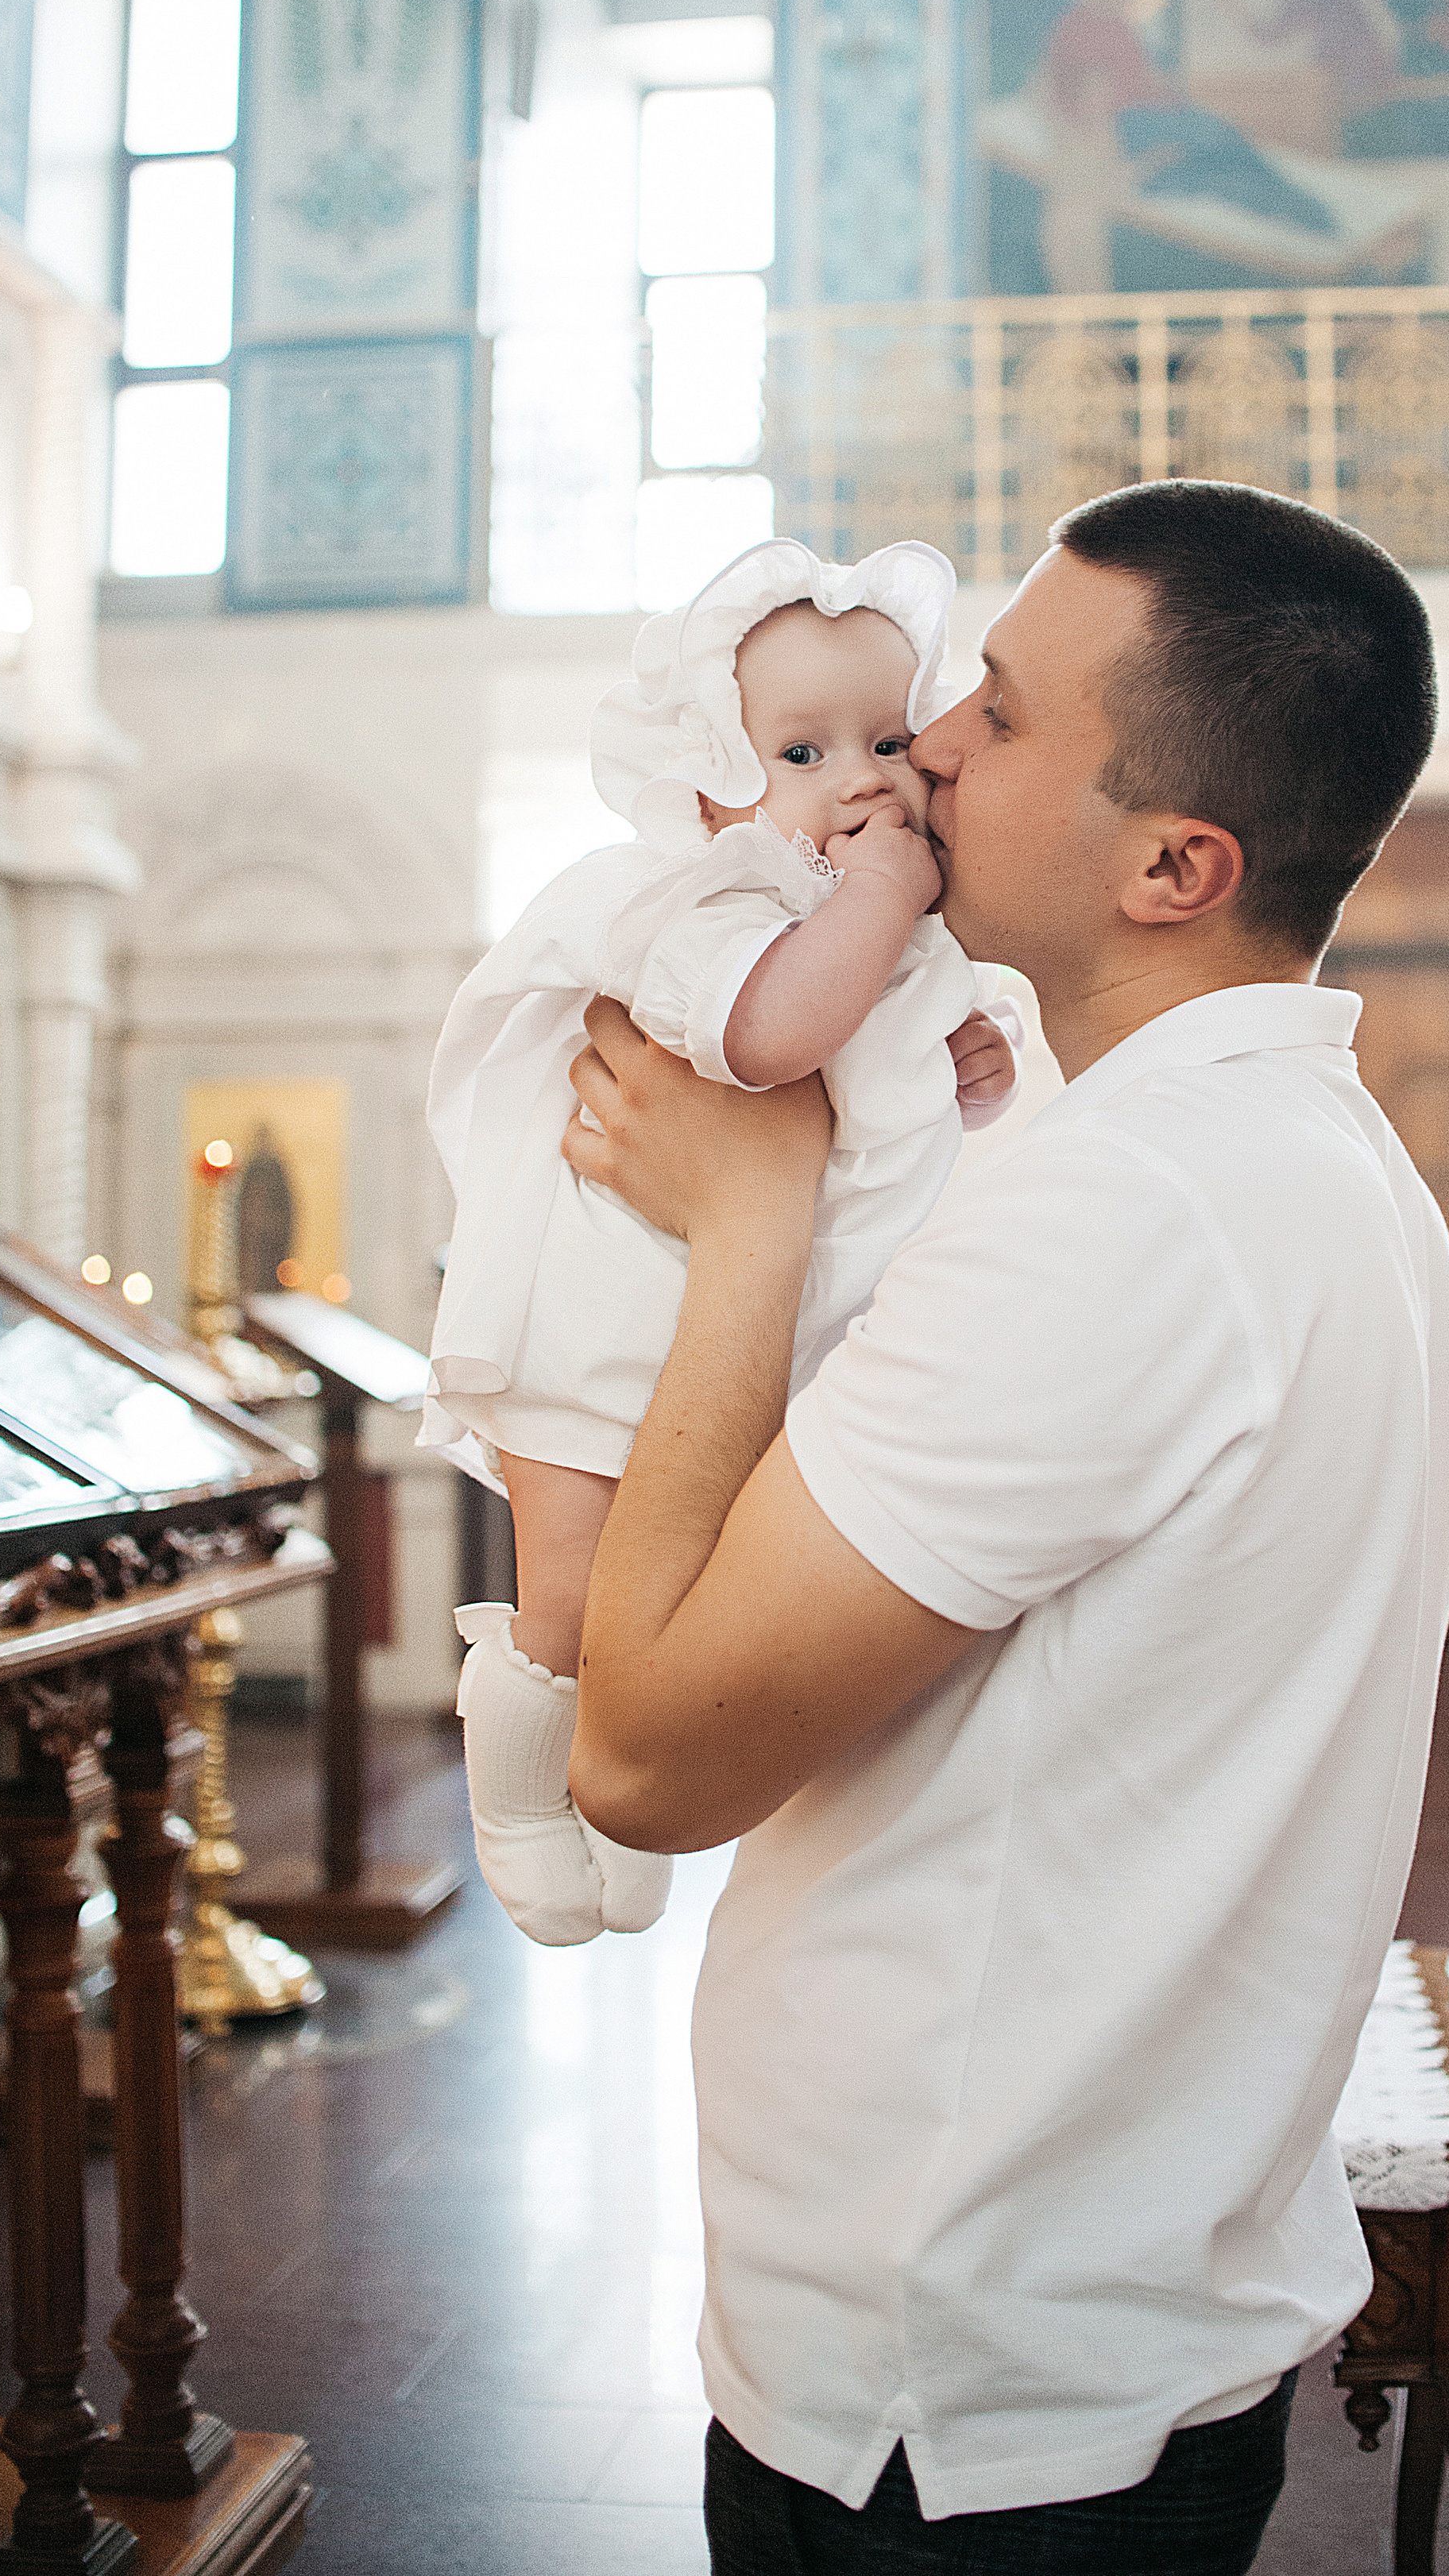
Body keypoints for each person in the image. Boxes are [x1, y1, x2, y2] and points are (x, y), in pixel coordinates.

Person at [562, 479, 1449, 2574]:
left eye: (1002, 708)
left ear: (1178, 861)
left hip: (952, 2394)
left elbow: (650, 1754)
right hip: (1084, 2317)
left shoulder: (1125, 1207)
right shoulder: (1294, 1154)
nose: (929, 745)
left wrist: (745, 1229)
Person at [423, 539, 1018, 1948]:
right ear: (715, 792)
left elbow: (892, 1080)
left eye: (887, 738)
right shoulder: (706, 903)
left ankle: (628, 1818)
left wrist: (963, 1053)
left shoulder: (876, 928)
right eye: (803, 751)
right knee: (569, 1601)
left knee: (673, 1611)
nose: (865, 778)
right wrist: (884, 906)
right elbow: (764, 1038)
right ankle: (516, 1804)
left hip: (729, 1336)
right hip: (590, 1315)